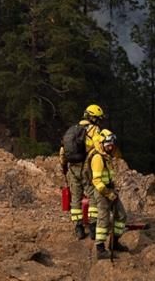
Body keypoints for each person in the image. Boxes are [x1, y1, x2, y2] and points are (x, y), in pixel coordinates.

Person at [59, 103, 106, 239]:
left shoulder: (72, 130)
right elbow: (98, 147)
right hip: (87, 167)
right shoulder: (94, 130)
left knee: (75, 199)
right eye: (98, 118)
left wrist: (63, 166)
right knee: (92, 197)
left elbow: (63, 151)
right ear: (93, 118)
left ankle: (78, 228)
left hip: (72, 168)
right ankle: (92, 227)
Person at [90, 129, 128, 260]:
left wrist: (113, 190)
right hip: (102, 192)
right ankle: (100, 249)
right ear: (102, 144)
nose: (110, 147)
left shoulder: (107, 157)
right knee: (103, 220)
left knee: (121, 216)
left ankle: (114, 243)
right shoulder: (98, 158)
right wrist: (107, 193)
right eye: (108, 145)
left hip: (111, 191)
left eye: (112, 145)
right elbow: (96, 180)